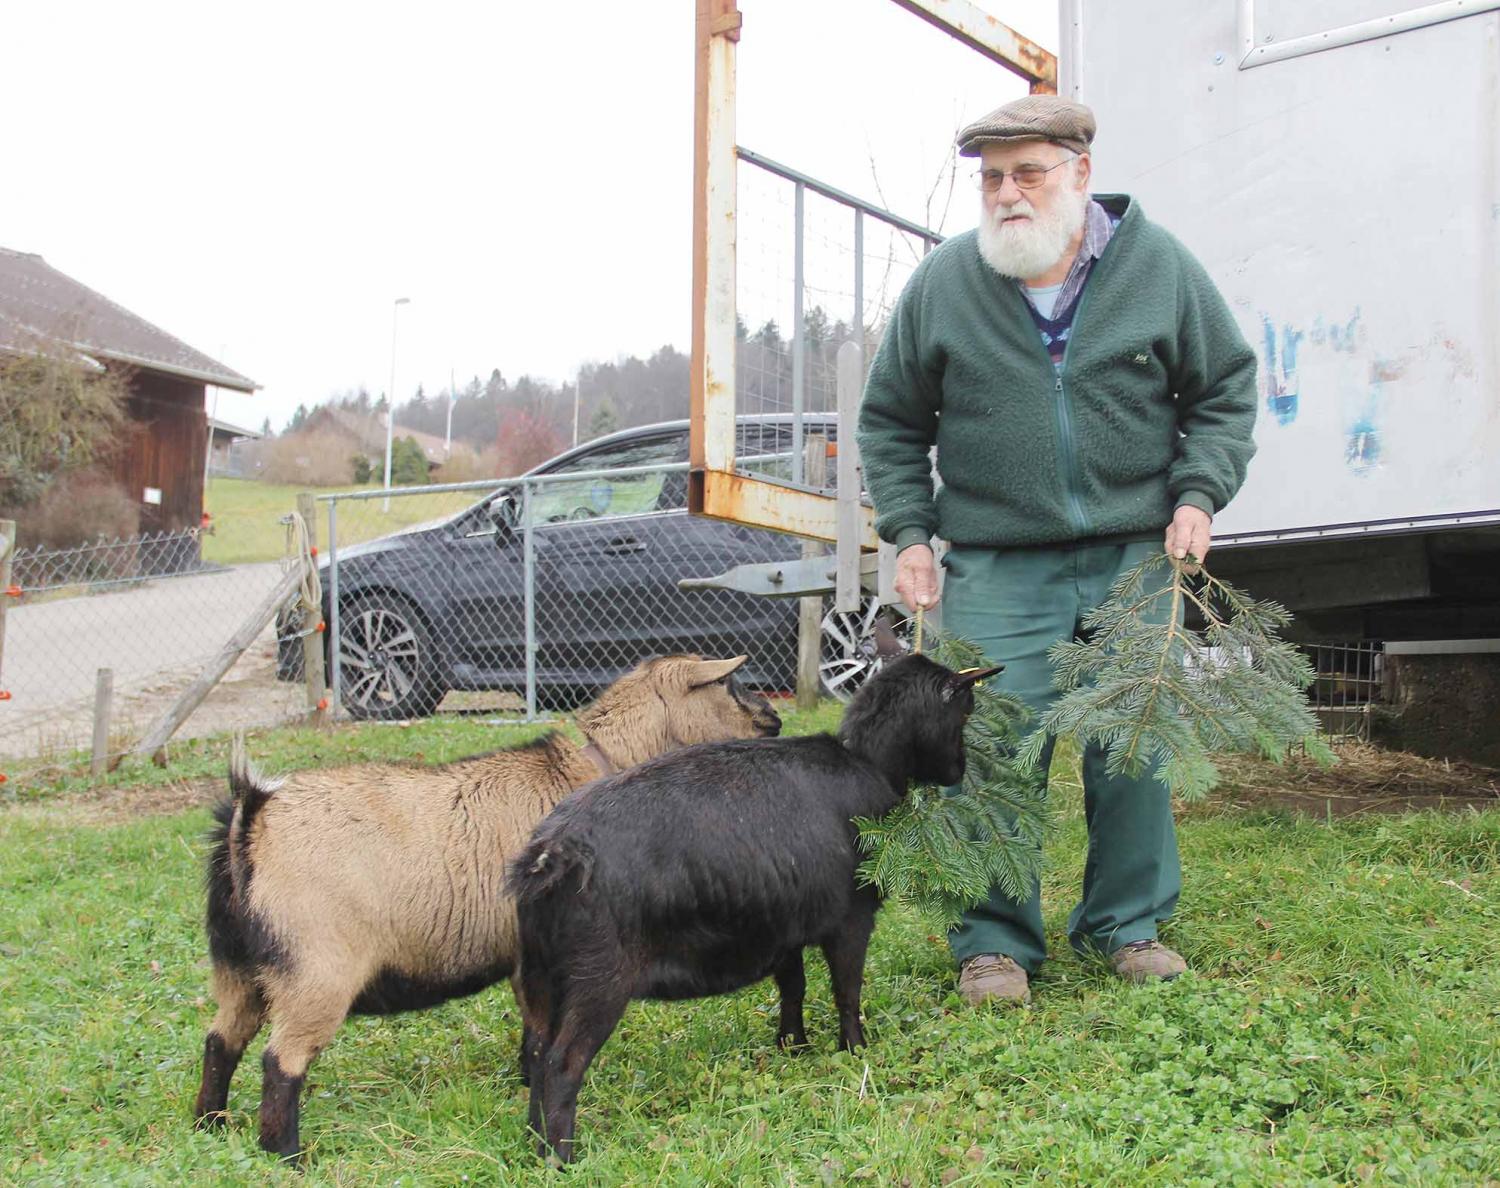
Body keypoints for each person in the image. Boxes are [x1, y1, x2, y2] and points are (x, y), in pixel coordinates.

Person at [856, 94, 1258, 1005]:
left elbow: (1226, 388)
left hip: (1134, 553)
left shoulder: (1158, 269)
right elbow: (889, 419)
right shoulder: (947, 283)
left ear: (1080, 173)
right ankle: (994, 943)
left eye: (1027, 172)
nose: (1007, 194)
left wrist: (1199, 493)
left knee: (1134, 747)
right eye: (991, 178)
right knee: (992, 748)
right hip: (999, 561)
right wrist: (911, 531)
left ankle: (1128, 925)